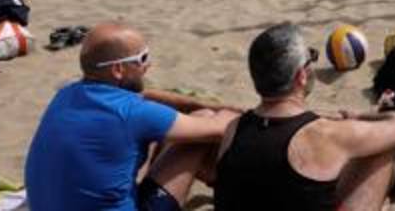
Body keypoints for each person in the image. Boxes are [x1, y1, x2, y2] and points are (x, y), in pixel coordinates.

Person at [24, 23, 237, 211]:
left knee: (172, 128)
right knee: (201, 126)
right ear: (118, 69)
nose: (149, 64)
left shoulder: (66, 93)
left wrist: (196, 103)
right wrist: (228, 112)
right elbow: (221, 128)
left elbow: (143, 97)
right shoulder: (135, 114)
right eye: (142, 58)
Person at [214, 24, 395, 211]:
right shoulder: (322, 134)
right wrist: (360, 116)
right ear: (301, 76)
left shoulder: (234, 129)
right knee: (382, 149)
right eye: (311, 56)